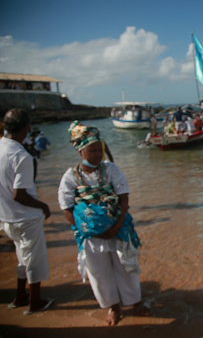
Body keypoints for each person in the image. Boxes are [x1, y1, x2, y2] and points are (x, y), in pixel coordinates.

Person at [58, 121, 152, 326]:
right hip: (90, 237)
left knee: (127, 267)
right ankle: (114, 307)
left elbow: (124, 199)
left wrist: (116, 227)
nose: (98, 154)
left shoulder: (111, 170)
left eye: (100, 149)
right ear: (80, 152)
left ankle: (135, 302)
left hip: (118, 231)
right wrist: (86, 230)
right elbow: (66, 208)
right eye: (92, 151)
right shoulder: (70, 177)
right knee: (99, 274)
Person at [0, 109, 53, 315]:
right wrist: (43, 206)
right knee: (35, 261)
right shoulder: (21, 155)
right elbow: (19, 194)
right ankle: (35, 302)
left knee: (22, 257)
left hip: (7, 218)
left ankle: (20, 296)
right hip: (26, 218)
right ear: (26, 129)